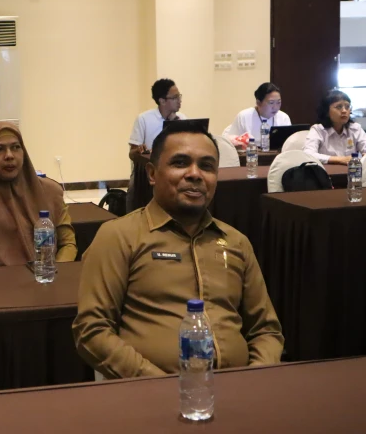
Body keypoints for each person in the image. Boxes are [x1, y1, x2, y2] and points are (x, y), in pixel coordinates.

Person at [73, 122, 284, 379]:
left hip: (239, 390)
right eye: (180, 163)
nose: (195, 174)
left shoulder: (236, 242)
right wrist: (160, 384)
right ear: (152, 173)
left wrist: (255, 379)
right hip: (150, 391)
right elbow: (92, 330)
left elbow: (266, 331)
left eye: (206, 166)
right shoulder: (118, 237)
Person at [0, 122, 77, 268]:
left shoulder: (50, 192)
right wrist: (9, 280)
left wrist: (53, 273)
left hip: (50, 276)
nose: (9, 156)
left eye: (16, 147)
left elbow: (68, 244)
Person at [127, 79, 186, 212]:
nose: (179, 101)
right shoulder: (144, 119)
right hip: (147, 172)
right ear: (162, 101)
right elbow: (131, 154)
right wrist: (139, 151)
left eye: (179, 96)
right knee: (133, 190)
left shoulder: (182, 118)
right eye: (175, 97)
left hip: (176, 168)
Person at [304, 89, 366, 165]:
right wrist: (339, 159)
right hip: (326, 172)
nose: (344, 111)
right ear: (326, 111)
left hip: (352, 171)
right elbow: (308, 154)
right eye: (339, 107)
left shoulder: (355, 128)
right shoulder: (318, 130)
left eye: (347, 107)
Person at [222, 82, 291, 142]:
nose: (275, 107)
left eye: (278, 102)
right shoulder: (244, 117)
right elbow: (232, 142)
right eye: (271, 103)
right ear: (258, 103)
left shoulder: (283, 118)